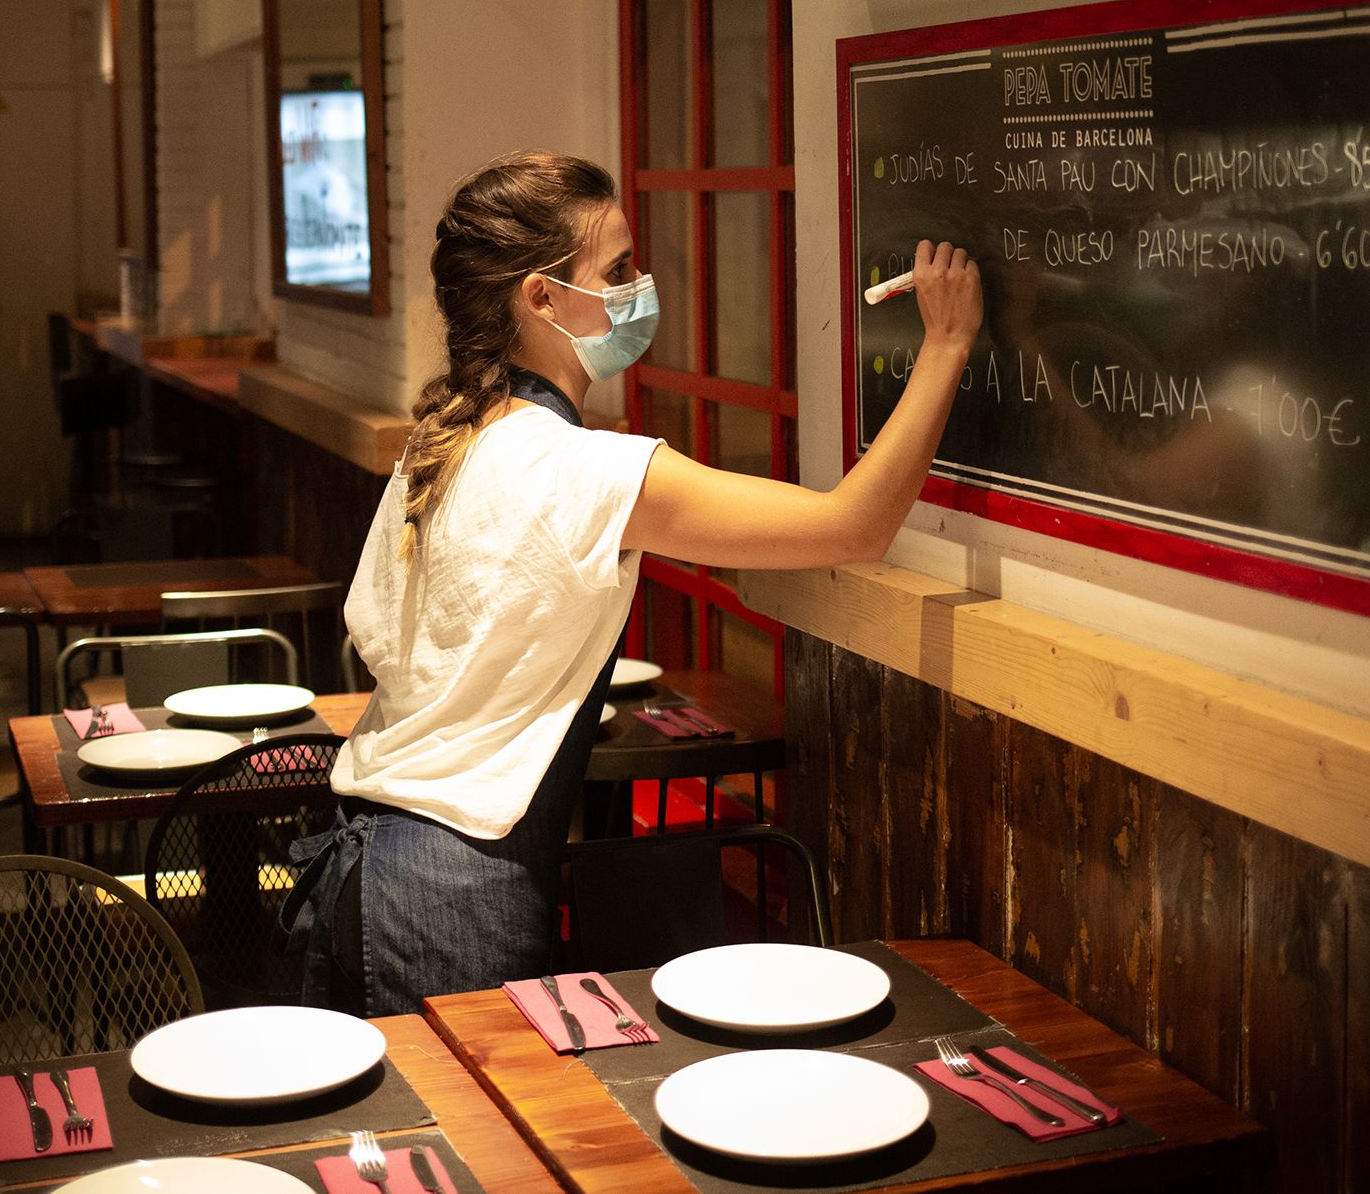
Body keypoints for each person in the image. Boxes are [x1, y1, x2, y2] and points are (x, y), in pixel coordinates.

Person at [282, 150, 982, 1014]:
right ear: (540, 297)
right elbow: (855, 525)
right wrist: (948, 340)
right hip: (454, 888)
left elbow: (395, 642)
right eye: (616, 271)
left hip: (367, 865)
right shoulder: (584, 468)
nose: (640, 287)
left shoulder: (445, 435)